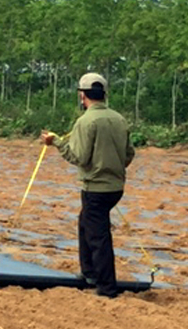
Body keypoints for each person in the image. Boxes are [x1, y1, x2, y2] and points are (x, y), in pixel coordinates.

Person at [42, 72, 135, 298]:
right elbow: (129, 154)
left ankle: (106, 287)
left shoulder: (85, 122)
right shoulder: (119, 119)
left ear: (83, 96)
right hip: (115, 187)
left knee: (98, 235)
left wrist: (56, 142)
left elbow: (79, 157)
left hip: (95, 188)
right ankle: (89, 273)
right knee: (86, 223)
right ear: (103, 94)